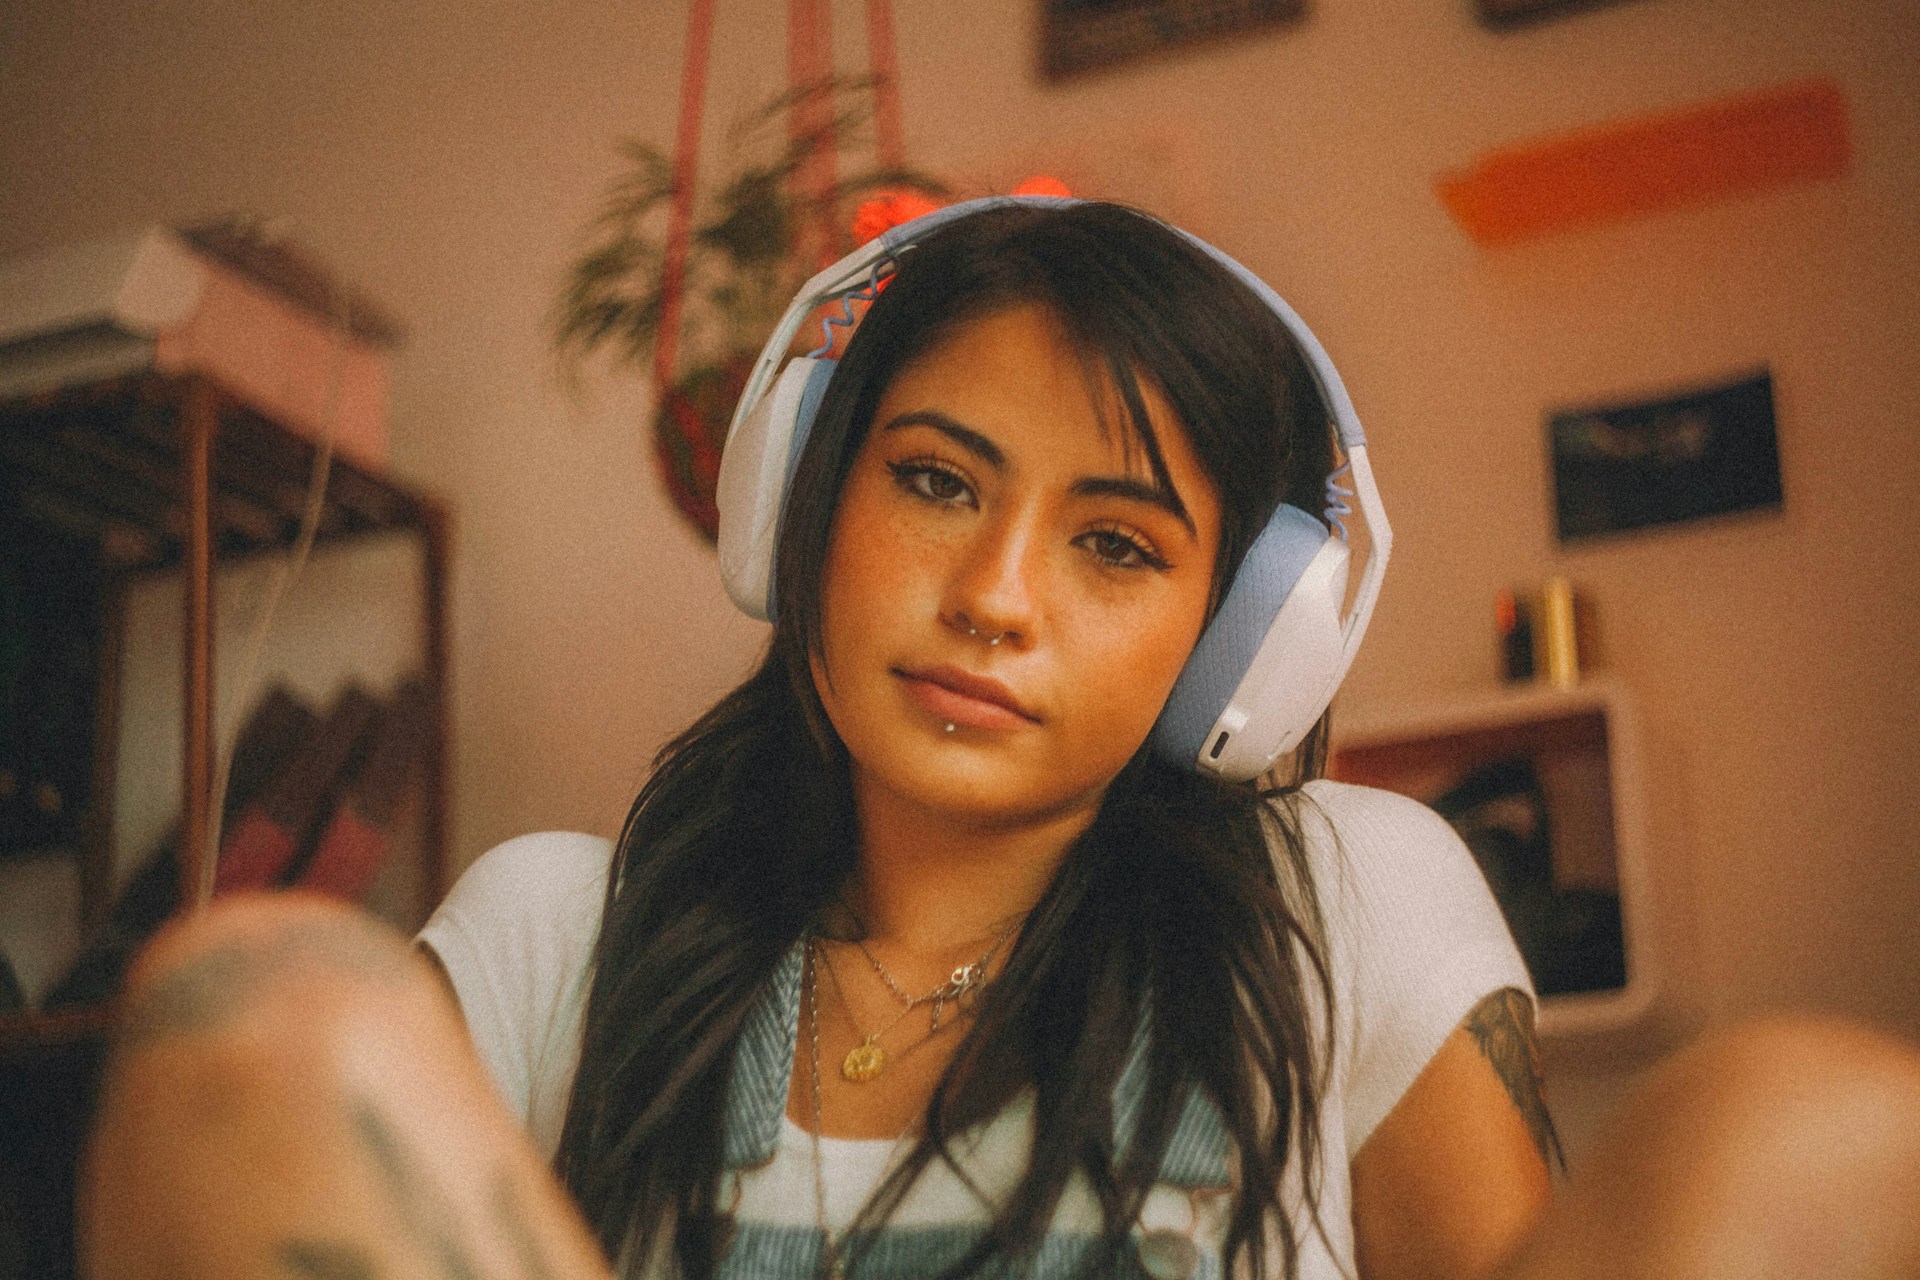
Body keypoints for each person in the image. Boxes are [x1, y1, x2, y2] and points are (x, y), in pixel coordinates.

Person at [79, 201, 1920, 1280]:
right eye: (938, 481)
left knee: (1813, 1130)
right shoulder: (562, 932)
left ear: (1238, 646)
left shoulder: (1349, 897)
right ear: (801, 510)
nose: (995, 595)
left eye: (1117, 545)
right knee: (262, 1001)